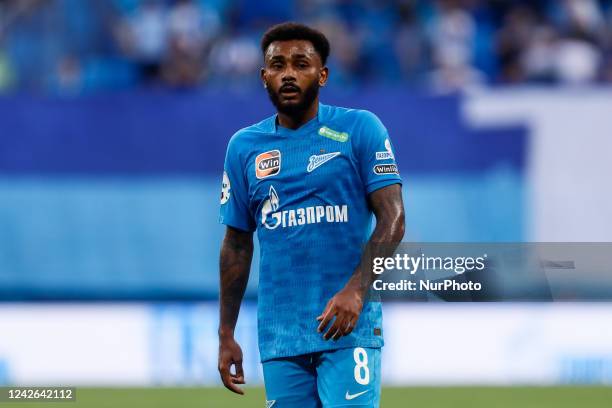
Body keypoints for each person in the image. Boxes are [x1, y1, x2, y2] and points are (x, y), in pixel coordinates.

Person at [218, 22, 405, 408]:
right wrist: (225, 333)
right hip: (280, 334)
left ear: (322, 75)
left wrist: (356, 290)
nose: (288, 73)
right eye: (277, 64)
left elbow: (394, 221)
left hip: (348, 328)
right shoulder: (244, 148)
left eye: (301, 63)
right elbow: (236, 245)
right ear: (263, 76)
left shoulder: (360, 129)